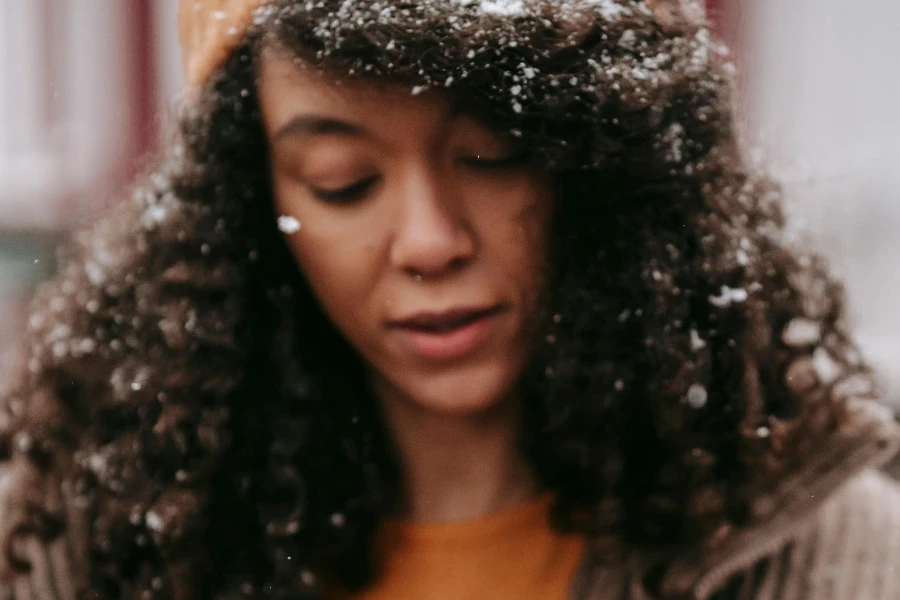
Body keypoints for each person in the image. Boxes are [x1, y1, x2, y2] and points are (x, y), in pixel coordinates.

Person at [1, 0, 899, 598]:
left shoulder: (830, 556)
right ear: (249, 196)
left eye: (494, 155)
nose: (430, 242)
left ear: (608, 158)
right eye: (343, 181)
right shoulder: (78, 551)